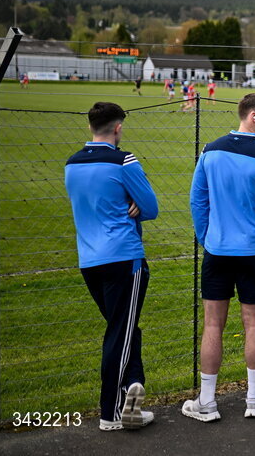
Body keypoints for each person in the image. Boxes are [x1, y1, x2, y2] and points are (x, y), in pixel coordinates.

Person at [184, 93, 255, 421]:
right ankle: (254, 399)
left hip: (217, 250)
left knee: (212, 324)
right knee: (253, 324)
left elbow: (197, 201)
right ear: (254, 116)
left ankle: (207, 401)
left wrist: (207, 237)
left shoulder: (210, 151)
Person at [64, 102, 159, 431]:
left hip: (89, 260)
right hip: (124, 258)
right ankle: (112, 412)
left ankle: (132, 386)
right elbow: (150, 206)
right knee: (120, 332)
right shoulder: (123, 160)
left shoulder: (71, 164)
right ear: (117, 128)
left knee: (124, 327)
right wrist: (132, 204)